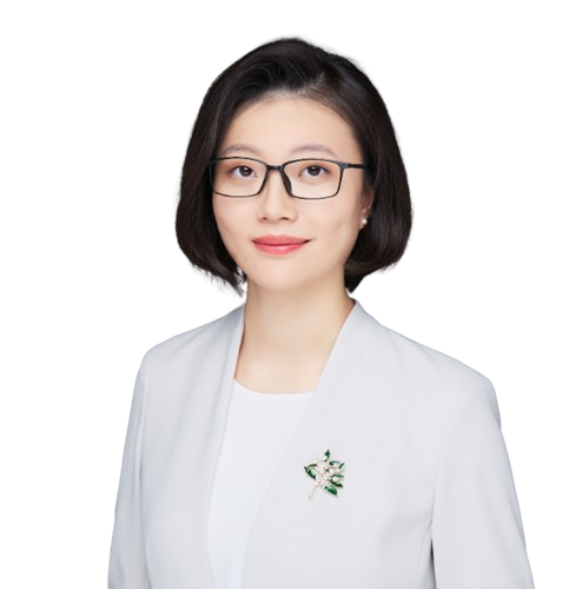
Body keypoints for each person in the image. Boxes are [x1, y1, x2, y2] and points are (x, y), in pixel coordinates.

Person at [108, 34, 535, 588]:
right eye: (243, 171)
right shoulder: (165, 375)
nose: (274, 206)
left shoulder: (447, 404)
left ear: (367, 197)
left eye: (313, 171)